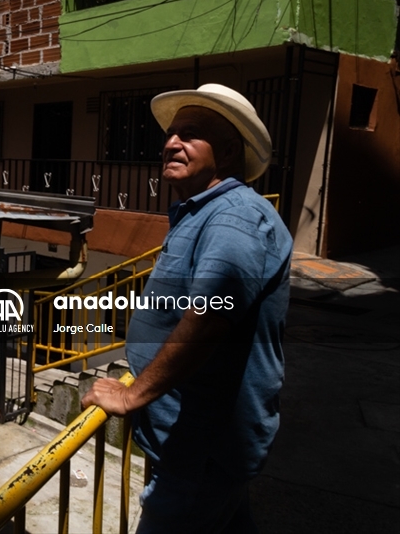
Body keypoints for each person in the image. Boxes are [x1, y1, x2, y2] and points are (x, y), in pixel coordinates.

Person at [81, 83, 292, 533]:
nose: (171, 142)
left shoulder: (233, 217)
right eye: (172, 132)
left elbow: (211, 315)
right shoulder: (201, 212)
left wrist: (133, 394)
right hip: (194, 447)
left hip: (202, 452)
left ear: (230, 151)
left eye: (191, 133)